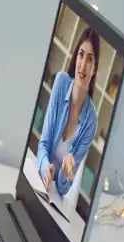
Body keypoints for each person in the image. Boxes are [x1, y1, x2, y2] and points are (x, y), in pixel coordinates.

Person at [37, 26, 100, 198]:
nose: (83, 65)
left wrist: (65, 171)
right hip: (40, 184)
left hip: (57, 197)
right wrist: (45, 168)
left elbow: (65, 188)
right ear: (76, 56)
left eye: (90, 59)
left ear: (94, 69)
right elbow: (43, 144)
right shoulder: (61, 82)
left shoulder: (91, 122)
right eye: (81, 55)